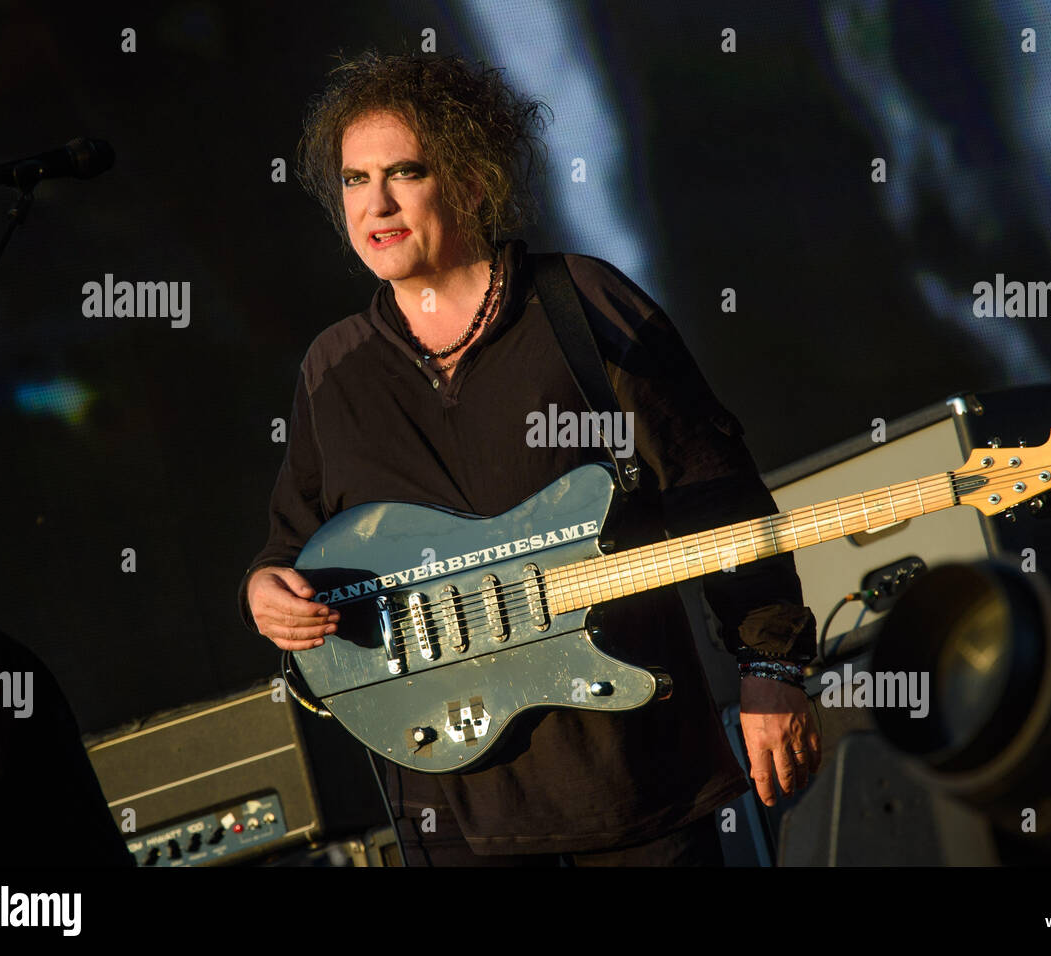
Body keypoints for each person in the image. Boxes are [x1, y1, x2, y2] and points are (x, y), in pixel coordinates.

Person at [239, 51, 822, 865]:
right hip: (452, 816)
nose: (374, 203)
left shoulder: (584, 306)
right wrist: (267, 593)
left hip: (632, 792)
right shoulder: (332, 368)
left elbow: (716, 494)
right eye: (352, 179)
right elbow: (286, 544)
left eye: (404, 173)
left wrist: (771, 665)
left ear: (471, 182)